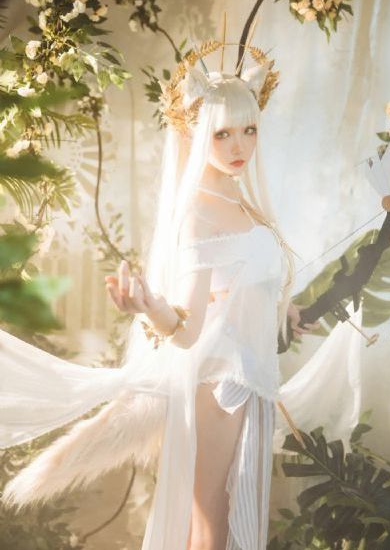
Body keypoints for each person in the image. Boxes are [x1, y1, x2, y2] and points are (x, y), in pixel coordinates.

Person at [0, 42, 362, 550]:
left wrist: (285, 311)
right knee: (211, 520)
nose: (239, 146)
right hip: (218, 385)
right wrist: (150, 307)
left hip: (249, 381)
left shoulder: (241, 198)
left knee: (223, 518)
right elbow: (188, 332)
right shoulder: (199, 212)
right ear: (195, 132)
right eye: (222, 133)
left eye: (249, 130)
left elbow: (237, 285)